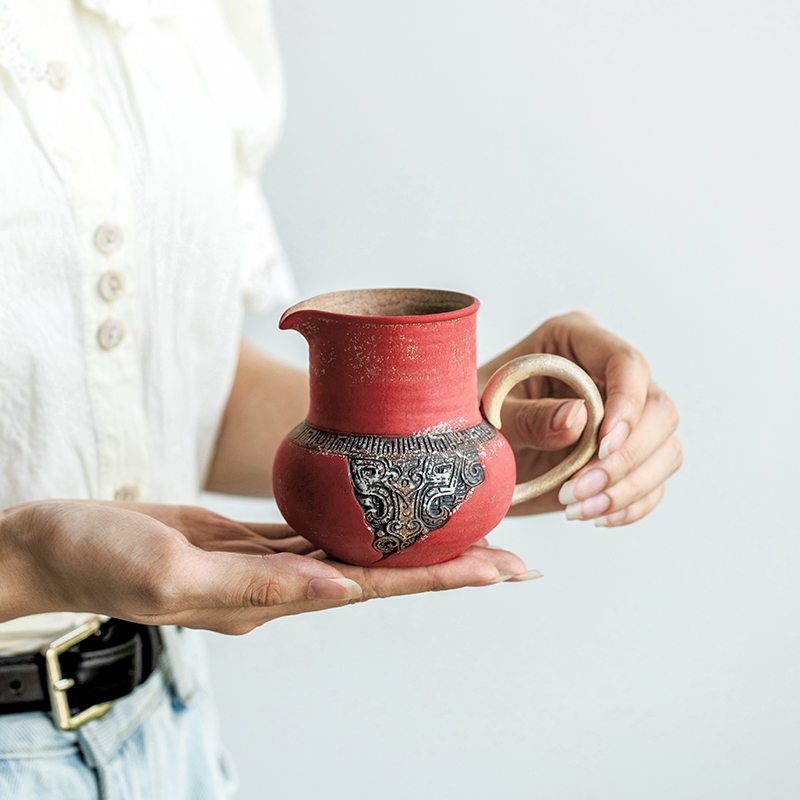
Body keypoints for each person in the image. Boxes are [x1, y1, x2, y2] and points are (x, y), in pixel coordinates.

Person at [0, 0, 681, 796]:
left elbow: (180, 391)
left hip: (167, 727)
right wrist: (23, 565)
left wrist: (461, 442)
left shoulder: (199, 17)